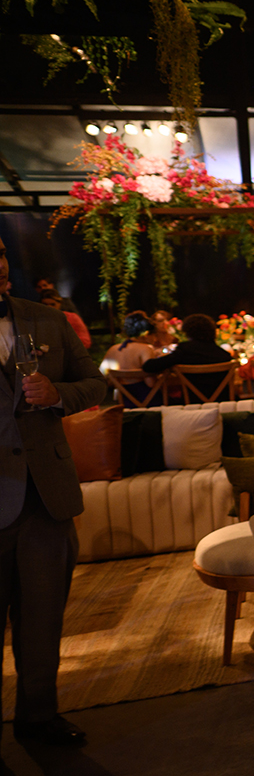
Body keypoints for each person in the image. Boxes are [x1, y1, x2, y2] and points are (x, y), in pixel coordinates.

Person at [0, 235, 110, 746]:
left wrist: (57, 394)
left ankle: (39, 719)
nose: (0, 265)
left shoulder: (45, 319)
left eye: (1, 253)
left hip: (46, 498)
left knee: (43, 619)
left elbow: (97, 384)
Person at [141, 314, 235, 401]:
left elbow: (149, 367)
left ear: (187, 331)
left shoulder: (184, 350)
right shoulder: (224, 355)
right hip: (223, 402)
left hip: (193, 402)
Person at [101, 311, 159, 404]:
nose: (156, 339)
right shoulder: (146, 349)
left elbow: (103, 378)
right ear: (146, 334)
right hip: (147, 401)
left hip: (123, 401)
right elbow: (150, 383)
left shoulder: (113, 349)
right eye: (155, 335)